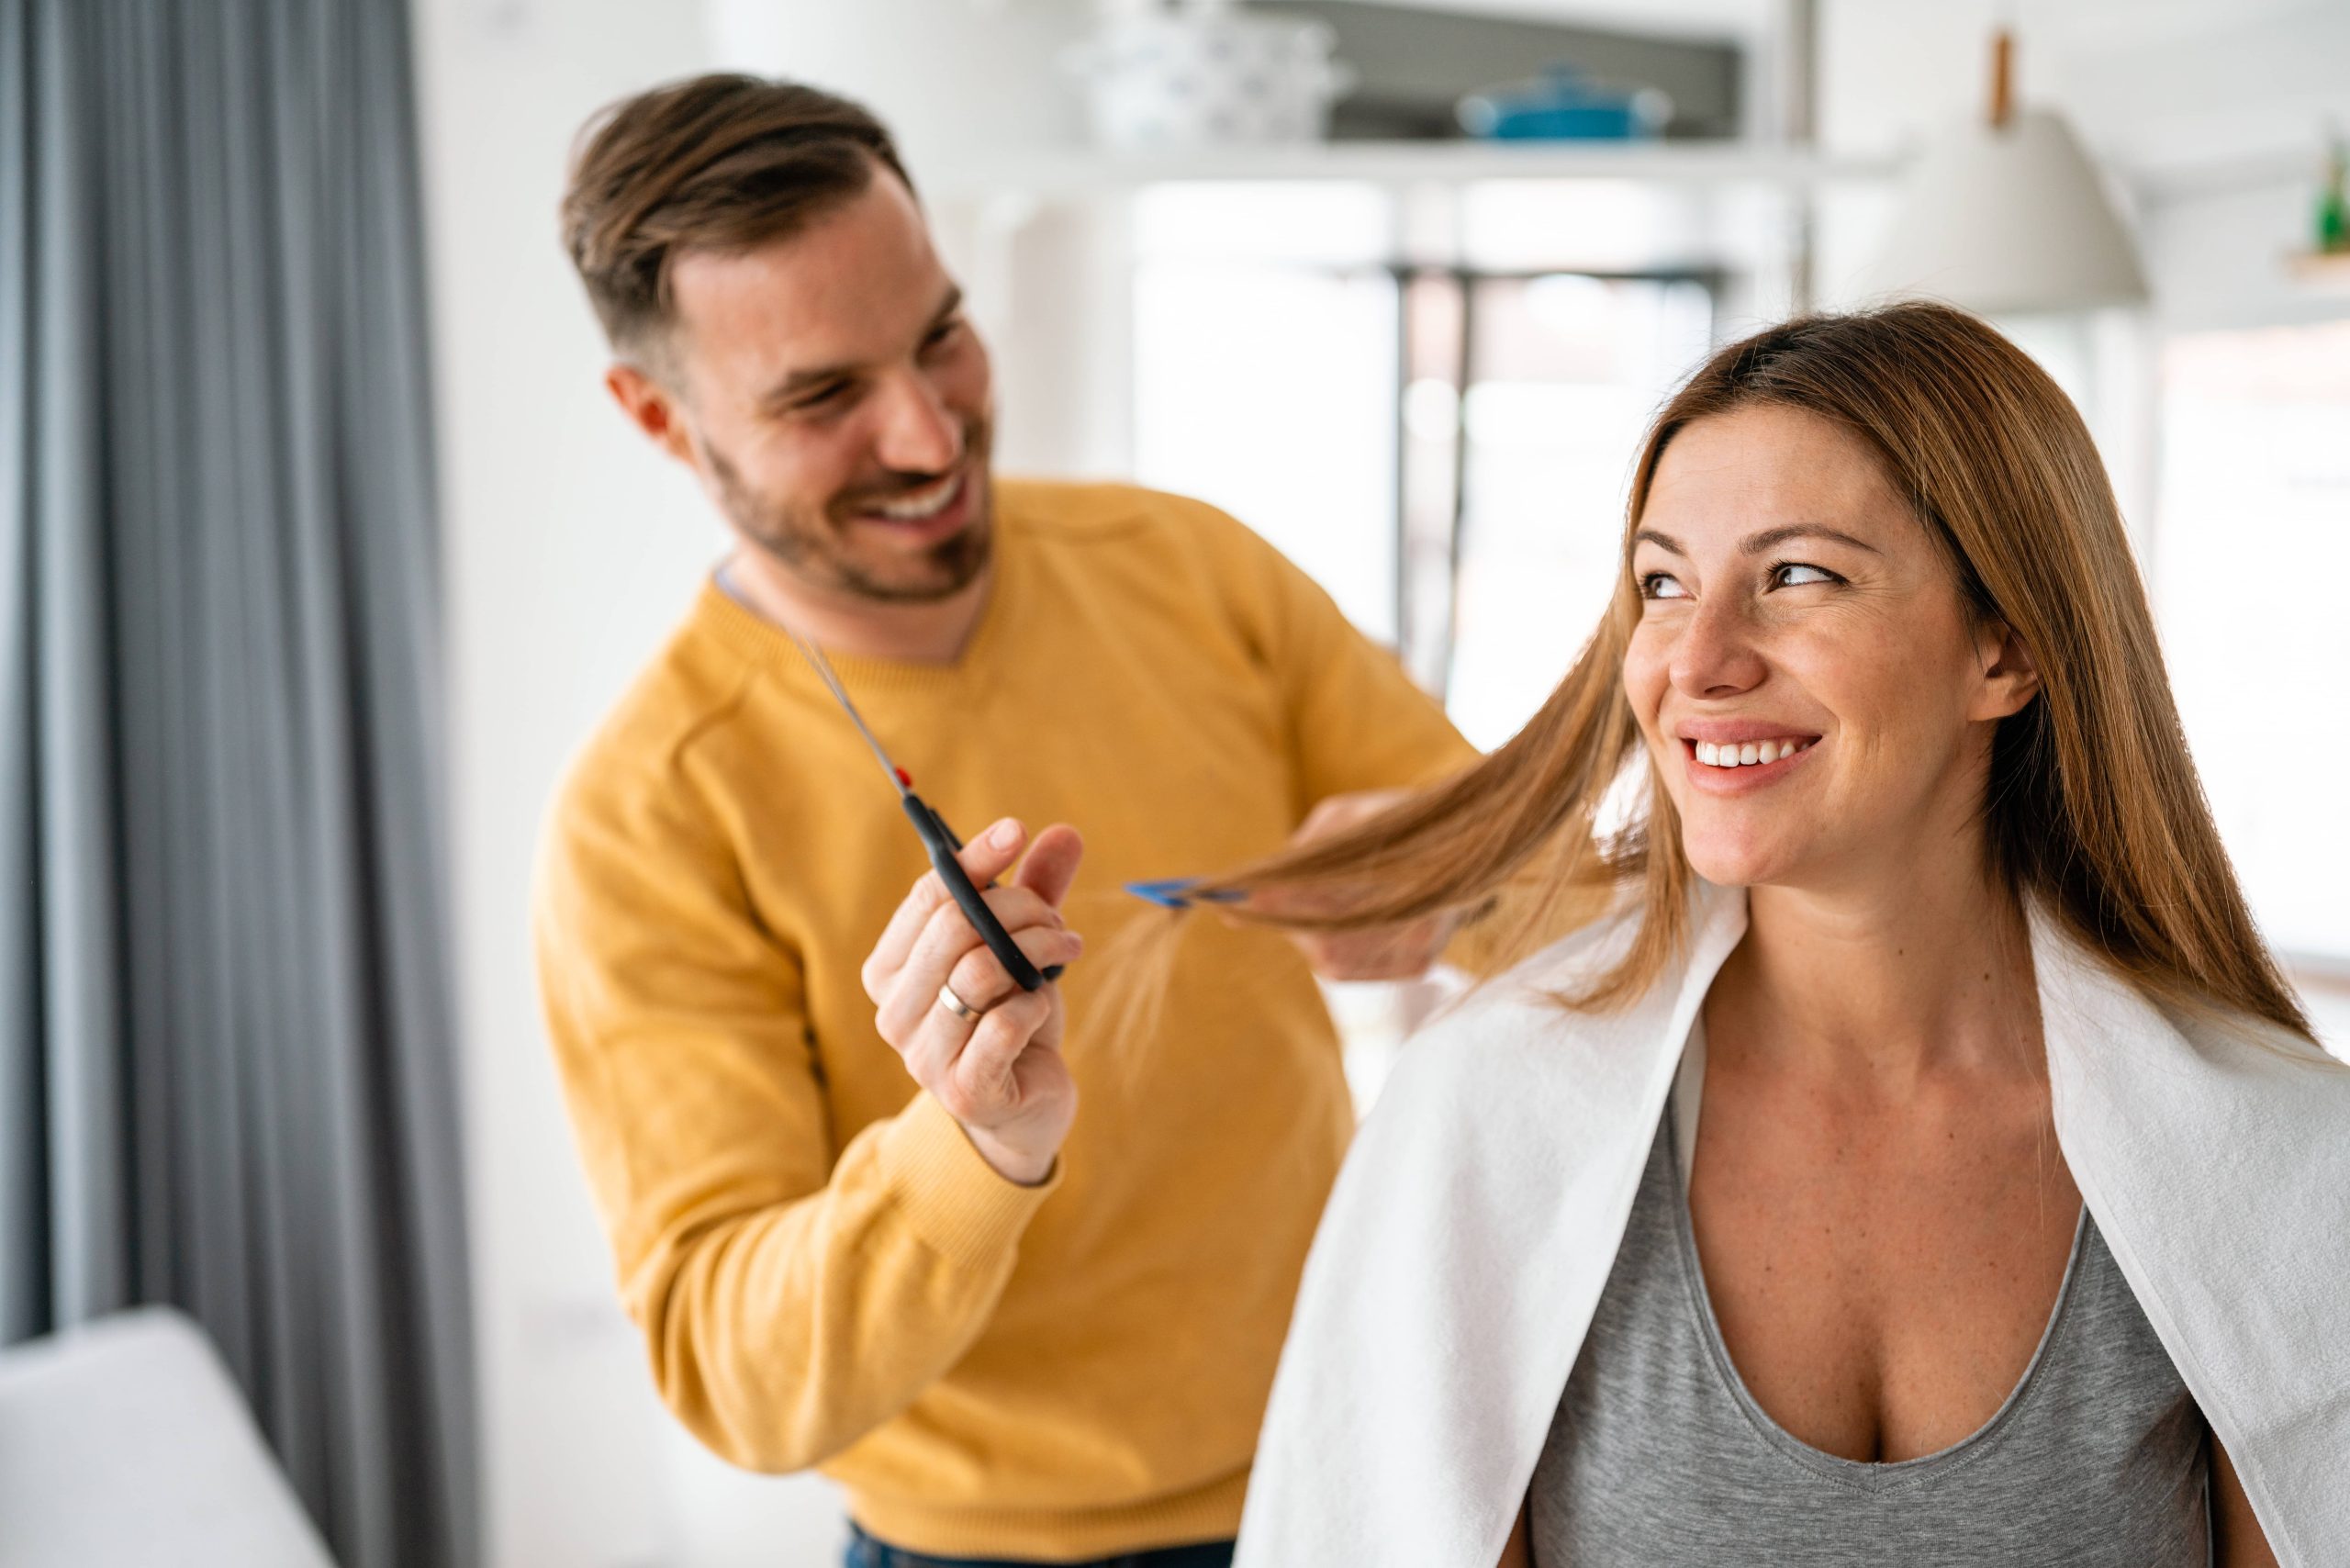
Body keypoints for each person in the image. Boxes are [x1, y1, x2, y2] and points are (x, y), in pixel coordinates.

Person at [1174, 305, 2348, 1565]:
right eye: (1663, 583)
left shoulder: (2278, 1168)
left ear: (2005, 648)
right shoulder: (1485, 1116)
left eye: (1797, 575)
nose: (1698, 659)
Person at [532, 73, 1482, 1567]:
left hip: (1359, 1474)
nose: (927, 436)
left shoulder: (1192, 568)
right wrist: (970, 1144)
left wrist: (1454, 878)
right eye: (822, 396)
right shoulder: (647, 817)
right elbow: (736, 1377)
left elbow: (1551, 870)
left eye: (940, 339)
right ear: (659, 416)